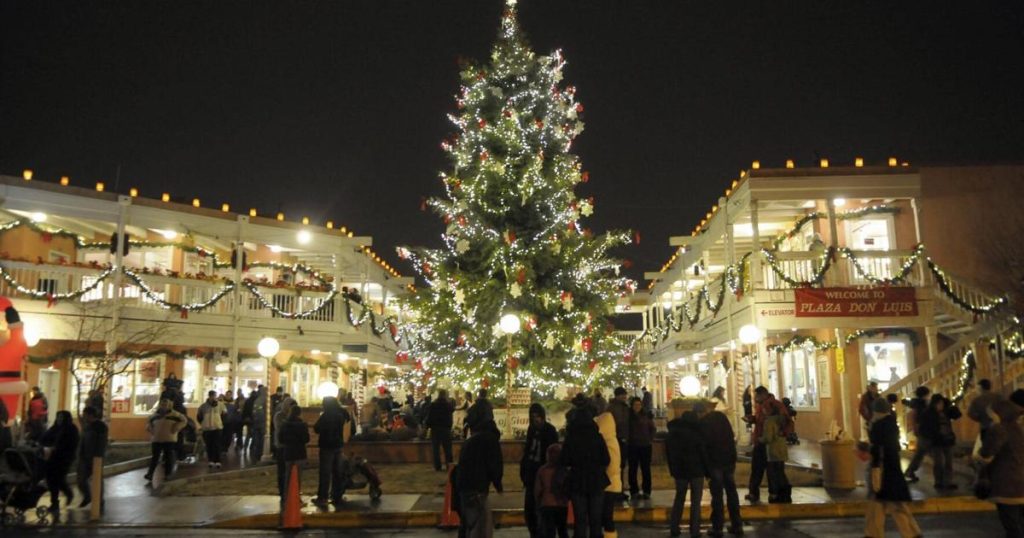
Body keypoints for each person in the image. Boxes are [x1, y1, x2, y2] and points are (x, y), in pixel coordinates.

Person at [864, 397, 921, 538]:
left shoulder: (879, 426)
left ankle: (910, 533)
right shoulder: (891, 424)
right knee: (887, 504)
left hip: (882, 470)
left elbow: (877, 448)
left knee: (889, 504)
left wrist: (870, 450)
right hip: (891, 469)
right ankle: (911, 533)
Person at [977, 398, 1024, 538]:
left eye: (991, 413)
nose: (990, 417)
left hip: (1006, 484)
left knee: (1012, 526)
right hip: (1020, 481)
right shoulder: (1018, 428)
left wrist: (977, 456)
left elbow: (986, 455)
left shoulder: (998, 429)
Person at [561, 408, 609, 538]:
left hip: (577, 481)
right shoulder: (597, 437)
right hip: (596, 480)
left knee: (580, 519)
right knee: (596, 519)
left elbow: (564, 460)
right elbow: (606, 459)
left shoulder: (571, 438)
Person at [697, 401, 743, 537]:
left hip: (715, 463)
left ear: (699, 413)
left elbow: (703, 447)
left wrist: (706, 468)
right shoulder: (722, 418)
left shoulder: (703, 423)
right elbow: (731, 436)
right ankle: (737, 524)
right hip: (728, 460)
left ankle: (717, 527)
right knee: (731, 492)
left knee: (717, 496)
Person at [456, 418, 503, 538]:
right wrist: (498, 485)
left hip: (463, 488)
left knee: (468, 523)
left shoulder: (470, 441)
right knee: (481, 526)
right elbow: (495, 465)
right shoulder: (491, 440)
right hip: (478, 489)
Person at [745, 386, 792, 503]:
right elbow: (761, 421)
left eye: (757, 396)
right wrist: (753, 419)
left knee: (773, 470)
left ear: (763, 394)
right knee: (757, 468)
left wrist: (781, 433)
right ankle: (754, 492)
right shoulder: (760, 406)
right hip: (761, 441)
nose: (755, 398)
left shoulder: (774, 405)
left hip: (771, 443)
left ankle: (774, 493)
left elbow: (784, 422)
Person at [667, 404, 707, 538]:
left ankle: (674, 527)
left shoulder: (673, 433)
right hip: (696, 470)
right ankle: (694, 530)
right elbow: (703, 453)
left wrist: (673, 469)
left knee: (679, 499)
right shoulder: (697, 433)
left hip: (680, 471)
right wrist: (707, 470)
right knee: (696, 502)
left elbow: (669, 454)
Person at [521, 403, 558, 537]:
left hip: (543, 473)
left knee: (542, 508)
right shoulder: (532, 430)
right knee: (530, 509)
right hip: (531, 473)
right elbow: (528, 450)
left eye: (538, 416)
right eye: (533, 417)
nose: (536, 419)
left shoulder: (550, 430)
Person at [918, 393, 961, 489]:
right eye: (939, 403)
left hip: (948, 439)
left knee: (948, 462)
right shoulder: (928, 413)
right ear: (934, 403)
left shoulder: (946, 411)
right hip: (936, 441)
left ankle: (948, 481)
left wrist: (950, 405)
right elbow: (923, 428)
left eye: (942, 403)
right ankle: (938, 481)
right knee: (938, 462)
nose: (940, 405)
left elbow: (957, 415)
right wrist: (930, 437)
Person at [313, 396, 350, 506]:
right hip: (338, 445)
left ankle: (323, 496)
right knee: (337, 472)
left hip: (326, 446)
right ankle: (336, 495)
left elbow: (316, 428)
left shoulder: (326, 415)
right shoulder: (341, 414)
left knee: (325, 473)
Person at [40, 410, 79, 512]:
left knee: (58, 479)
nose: (59, 420)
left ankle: (67, 493)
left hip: (64, 459)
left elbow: (71, 444)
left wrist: (58, 448)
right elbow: (44, 438)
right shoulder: (54, 428)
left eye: (61, 418)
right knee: (51, 480)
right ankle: (55, 502)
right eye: (58, 417)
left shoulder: (71, 429)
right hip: (52, 458)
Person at [144, 398, 187, 483]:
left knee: (168, 457)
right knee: (155, 458)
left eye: (166, 405)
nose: (164, 406)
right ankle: (150, 474)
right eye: (162, 404)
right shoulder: (154, 415)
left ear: (169, 405)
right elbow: (148, 424)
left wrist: (177, 427)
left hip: (169, 439)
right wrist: (151, 430)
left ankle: (168, 474)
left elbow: (184, 421)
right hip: (156, 439)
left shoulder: (176, 415)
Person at [596, 404, 623, 536]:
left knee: (606, 517)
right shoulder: (611, 440)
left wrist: (602, 477)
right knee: (606, 516)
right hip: (610, 483)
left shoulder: (608, 442)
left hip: (608, 484)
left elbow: (612, 465)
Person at [534, 443, 570, 538]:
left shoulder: (542, 470)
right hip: (562, 504)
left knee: (549, 532)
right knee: (562, 530)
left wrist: (538, 503)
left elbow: (538, 490)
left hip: (546, 504)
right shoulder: (565, 471)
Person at [278, 405, 310, 505]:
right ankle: (296, 497)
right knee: (297, 477)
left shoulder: (284, 424)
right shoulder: (302, 425)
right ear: (299, 414)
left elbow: (280, 439)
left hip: (288, 453)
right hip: (300, 453)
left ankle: (286, 497)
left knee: (288, 476)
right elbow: (306, 439)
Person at [77, 405, 108, 509]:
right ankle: (87, 496)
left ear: (90, 415)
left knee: (97, 480)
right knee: (81, 480)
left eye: (85, 414)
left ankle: (99, 501)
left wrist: (98, 456)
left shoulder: (100, 426)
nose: (83, 416)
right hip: (84, 457)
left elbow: (101, 443)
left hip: (96, 458)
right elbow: (83, 441)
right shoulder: (87, 426)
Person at [762, 400, 792, 503]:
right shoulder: (781, 420)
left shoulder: (769, 421)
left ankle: (776, 494)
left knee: (773, 474)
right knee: (781, 472)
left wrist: (759, 439)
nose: (763, 410)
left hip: (773, 451)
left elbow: (768, 438)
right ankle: (786, 492)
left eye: (764, 408)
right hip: (782, 450)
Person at [627, 396, 655, 501]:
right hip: (633, 446)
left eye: (639, 405)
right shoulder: (628, 417)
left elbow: (652, 428)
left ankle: (646, 491)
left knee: (646, 469)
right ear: (632, 406)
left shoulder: (646, 415)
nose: (637, 407)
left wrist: (650, 439)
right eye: (635, 405)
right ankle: (634, 490)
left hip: (645, 445)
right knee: (632, 469)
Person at [903, 385, 932, 482]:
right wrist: (915, 427)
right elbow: (914, 415)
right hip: (923, 429)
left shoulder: (917, 403)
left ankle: (910, 471)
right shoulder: (921, 404)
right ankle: (910, 471)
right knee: (921, 452)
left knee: (920, 453)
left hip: (922, 429)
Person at [607, 386, 630, 501]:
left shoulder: (625, 407)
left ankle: (620, 489)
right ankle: (615, 490)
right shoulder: (612, 408)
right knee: (616, 465)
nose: (624, 396)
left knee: (622, 465)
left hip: (624, 438)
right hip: (616, 438)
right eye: (622, 395)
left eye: (625, 394)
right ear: (617, 396)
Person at [426, 390, 456, 472]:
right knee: (448, 449)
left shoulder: (433, 405)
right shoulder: (448, 405)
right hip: (446, 429)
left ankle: (437, 466)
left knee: (436, 449)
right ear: (445, 395)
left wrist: (428, 426)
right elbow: (452, 411)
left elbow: (429, 417)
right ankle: (449, 465)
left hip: (435, 429)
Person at [273, 397, 297, 496]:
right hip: (282, 446)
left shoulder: (294, 417)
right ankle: (283, 492)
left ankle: (291, 491)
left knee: (292, 471)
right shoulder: (279, 416)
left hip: (292, 447)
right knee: (282, 471)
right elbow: (280, 428)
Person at [197, 390, 225, 468]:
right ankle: (211, 460)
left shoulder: (220, 405)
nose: (213, 397)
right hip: (207, 429)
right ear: (209, 396)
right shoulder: (203, 406)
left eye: (214, 396)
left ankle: (218, 460)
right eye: (212, 396)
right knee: (209, 445)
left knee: (217, 444)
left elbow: (224, 415)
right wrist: (204, 424)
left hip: (217, 427)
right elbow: (199, 417)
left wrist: (220, 423)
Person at [250, 385, 268, 458]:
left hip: (257, 422)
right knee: (261, 439)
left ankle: (257, 453)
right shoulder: (263, 400)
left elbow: (254, 411)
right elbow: (259, 411)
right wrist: (264, 419)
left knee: (257, 438)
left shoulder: (257, 400)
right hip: (262, 422)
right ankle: (259, 453)